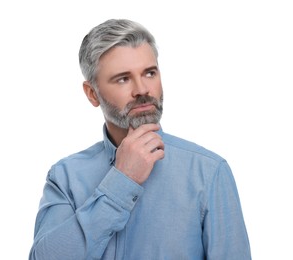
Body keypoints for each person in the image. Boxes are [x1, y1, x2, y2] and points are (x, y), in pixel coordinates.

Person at [29, 19, 251, 259]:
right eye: (123, 78)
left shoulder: (208, 172)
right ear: (92, 94)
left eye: (149, 73)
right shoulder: (65, 176)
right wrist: (121, 181)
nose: (142, 89)